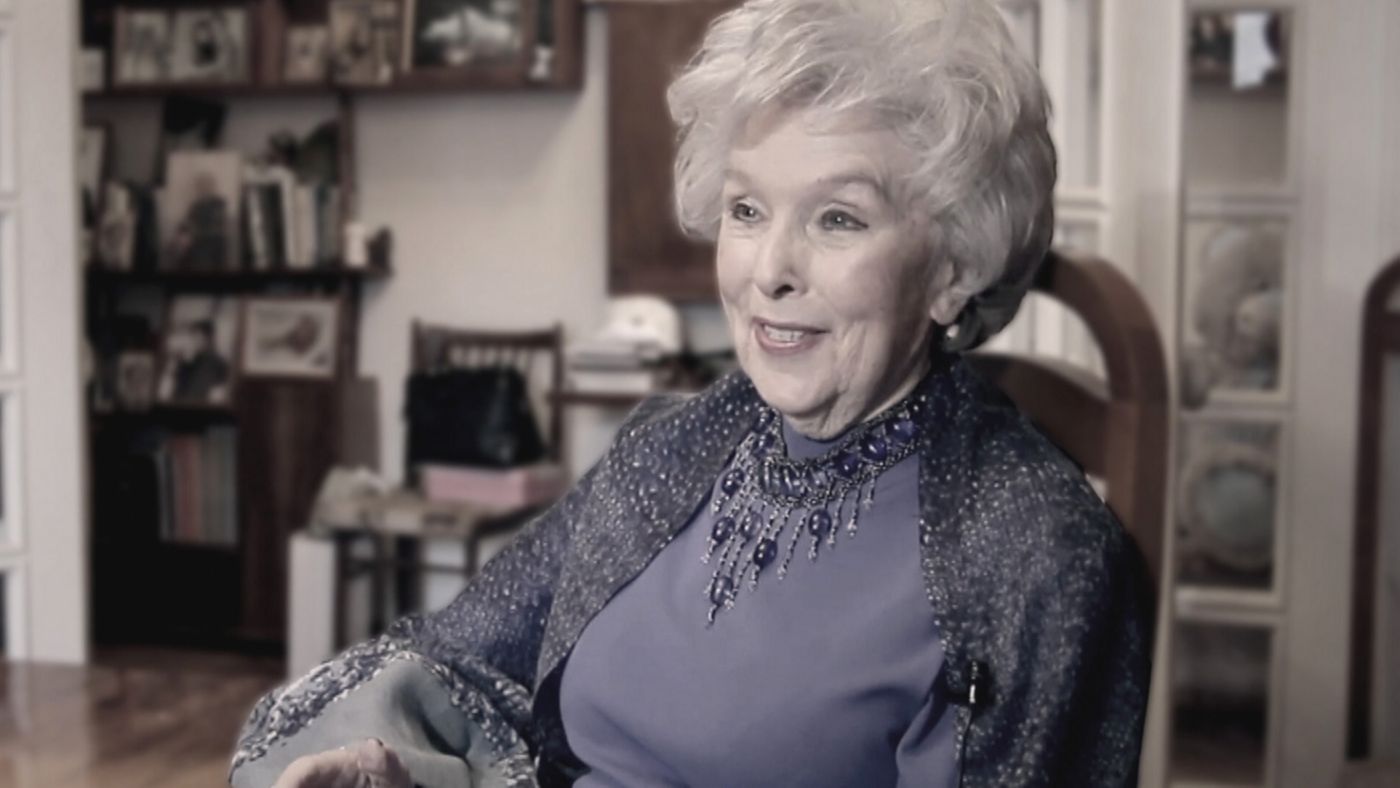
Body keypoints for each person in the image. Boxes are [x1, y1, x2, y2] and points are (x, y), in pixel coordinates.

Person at [231, 1, 1152, 786]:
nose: (768, 271)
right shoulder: (677, 443)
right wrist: (396, 769)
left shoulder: (1037, 554)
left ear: (953, 268)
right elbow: (469, 651)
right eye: (747, 210)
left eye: (838, 219)